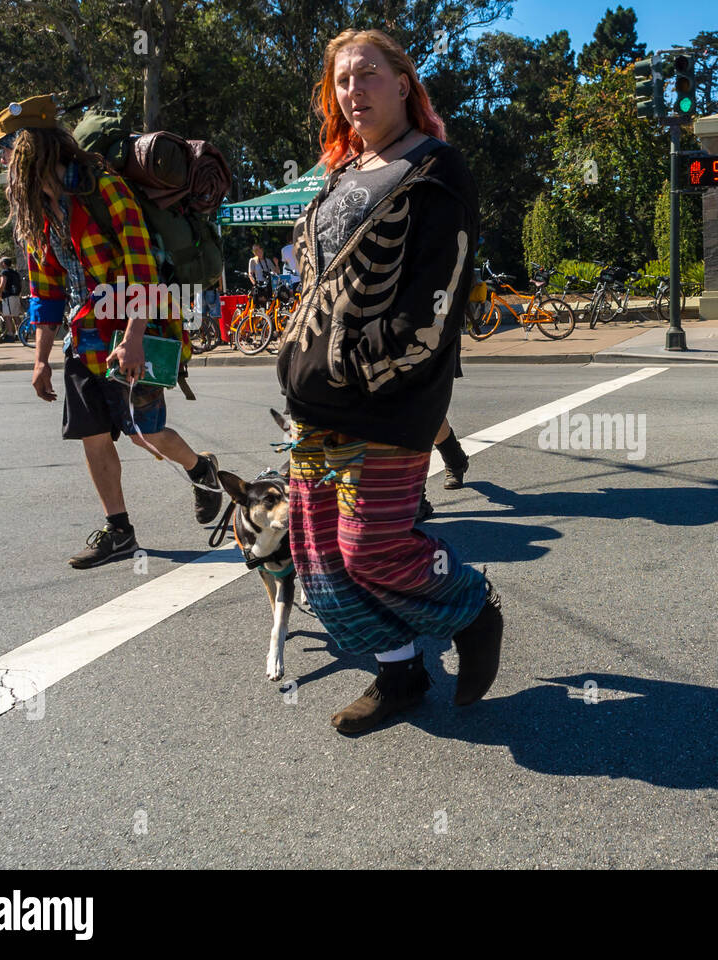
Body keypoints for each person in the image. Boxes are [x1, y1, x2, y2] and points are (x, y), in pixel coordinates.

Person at [277, 27, 502, 735]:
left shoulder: (436, 169)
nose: (354, 90)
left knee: (371, 546)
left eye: (368, 74)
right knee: (318, 562)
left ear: (404, 83)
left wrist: (355, 364)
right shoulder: (340, 172)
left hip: (389, 396)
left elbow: (434, 296)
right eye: (343, 80)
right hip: (312, 400)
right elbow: (315, 286)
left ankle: (470, 606)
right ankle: (401, 672)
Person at [0, 94, 224, 568]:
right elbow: (45, 288)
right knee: (93, 434)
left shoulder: (104, 188)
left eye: (7, 148)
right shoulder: (38, 211)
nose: (1, 158)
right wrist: (39, 358)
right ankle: (119, 531)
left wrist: (135, 337)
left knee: (145, 433)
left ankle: (202, 470)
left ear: (31, 147)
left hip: (131, 331)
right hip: (84, 339)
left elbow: (143, 269)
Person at [0, 255, 23, 340]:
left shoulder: (4, 272)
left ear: (4, 264)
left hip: (8, 296)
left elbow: (2, 284)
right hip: (16, 295)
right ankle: (20, 334)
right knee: (16, 315)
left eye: (1, 263)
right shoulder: (15, 272)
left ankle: (10, 334)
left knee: (7, 316)